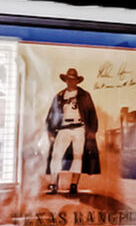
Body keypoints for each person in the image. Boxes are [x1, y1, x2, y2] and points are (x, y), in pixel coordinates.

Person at [42, 68, 100, 197]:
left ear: (77, 81)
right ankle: (54, 184)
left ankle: (74, 185)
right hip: (63, 128)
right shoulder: (59, 96)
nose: (71, 82)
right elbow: (52, 114)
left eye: (73, 80)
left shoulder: (84, 95)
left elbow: (92, 114)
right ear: (66, 80)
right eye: (69, 79)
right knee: (56, 155)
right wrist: (50, 131)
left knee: (78, 155)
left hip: (79, 127)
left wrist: (92, 131)